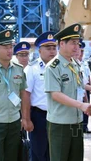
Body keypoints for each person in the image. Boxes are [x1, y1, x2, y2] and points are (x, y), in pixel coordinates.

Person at [44, 23, 91, 161]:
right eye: (73, 43)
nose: (76, 47)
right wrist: (81, 105)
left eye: (78, 43)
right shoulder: (53, 67)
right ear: (62, 44)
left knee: (76, 157)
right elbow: (55, 94)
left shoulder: (75, 64)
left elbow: (79, 86)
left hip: (76, 121)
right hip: (60, 124)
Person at [0, 29, 33, 160]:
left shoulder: (18, 69)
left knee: (12, 157)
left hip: (14, 123)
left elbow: (23, 94)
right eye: (5, 47)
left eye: (11, 46)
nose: (9, 50)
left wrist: (25, 118)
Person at [24, 31, 57, 161]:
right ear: (40, 50)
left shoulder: (60, 67)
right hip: (39, 117)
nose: (52, 51)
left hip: (58, 115)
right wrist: (26, 119)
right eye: (48, 48)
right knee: (39, 152)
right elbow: (26, 95)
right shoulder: (32, 69)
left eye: (54, 47)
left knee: (55, 152)